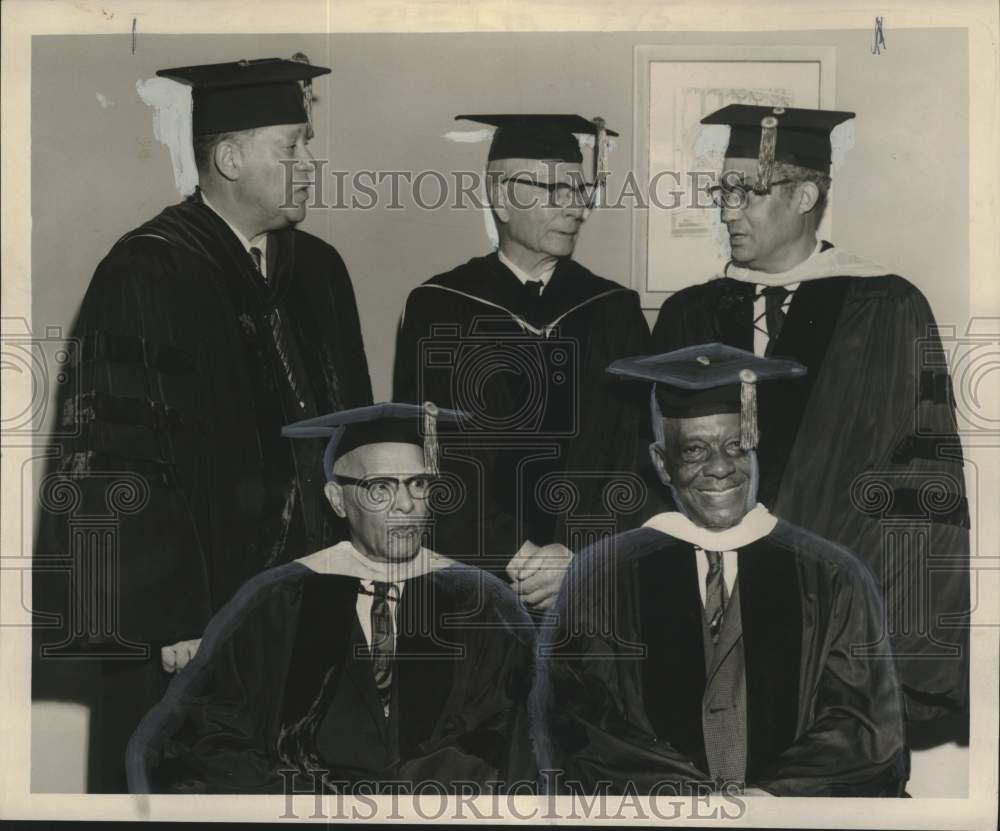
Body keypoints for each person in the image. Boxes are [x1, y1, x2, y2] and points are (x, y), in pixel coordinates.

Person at [33, 56, 373, 792]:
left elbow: (355, 442)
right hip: (197, 631)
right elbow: (114, 463)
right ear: (228, 157)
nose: (311, 164)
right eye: (293, 147)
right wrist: (170, 619)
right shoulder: (148, 272)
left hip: (313, 611)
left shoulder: (319, 273)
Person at [651, 105, 968, 726]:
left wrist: (903, 659)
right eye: (723, 190)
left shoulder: (889, 308)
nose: (727, 208)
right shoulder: (688, 317)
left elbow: (925, 486)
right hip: (708, 631)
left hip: (842, 634)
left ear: (804, 195)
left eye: (748, 190)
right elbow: (655, 482)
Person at [534, 344, 909, 797]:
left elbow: (867, 728)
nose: (720, 467)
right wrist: (692, 804)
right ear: (661, 464)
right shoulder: (603, 576)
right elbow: (576, 720)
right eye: (694, 450)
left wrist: (770, 797)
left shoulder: (832, 574)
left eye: (736, 445)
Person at [126, 403, 536, 794]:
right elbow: (210, 739)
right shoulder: (275, 599)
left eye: (419, 483)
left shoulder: (483, 603)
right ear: (337, 500)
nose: (407, 504)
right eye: (380, 488)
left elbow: (514, 733)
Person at [393, 114, 650, 610]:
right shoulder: (441, 305)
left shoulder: (612, 310)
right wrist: (511, 555)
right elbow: (430, 452)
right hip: (476, 579)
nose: (576, 208)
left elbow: (633, 453)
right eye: (556, 191)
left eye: (581, 190)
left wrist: (578, 556)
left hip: (590, 580)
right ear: (504, 199)